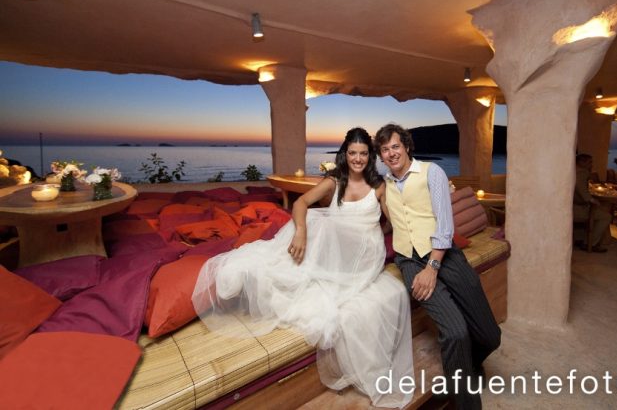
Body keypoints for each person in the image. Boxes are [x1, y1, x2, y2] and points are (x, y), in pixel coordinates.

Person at [192, 128, 413, 408]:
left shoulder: (380, 186)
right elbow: (301, 202)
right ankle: (285, 268)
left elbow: (393, 219)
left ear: (371, 157)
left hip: (365, 256)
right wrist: (300, 232)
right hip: (338, 248)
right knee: (314, 224)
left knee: (325, 227)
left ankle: (308, 267)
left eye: (364, 154)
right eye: (353, 153)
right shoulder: (335, 181)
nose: (358, 159)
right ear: (345, 154)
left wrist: (384, 228)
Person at [374, 123, 500, 409]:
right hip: (408, 259)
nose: (391, 153)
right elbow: (383, 220)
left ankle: (463, 371)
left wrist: (432, 268)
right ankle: (465, 398)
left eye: (395, 146)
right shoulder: (385, 185)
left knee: (491, 336)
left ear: (406, 146)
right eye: (385, 149)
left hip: (445, 255)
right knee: (455, 331)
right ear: (381, 156)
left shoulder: (433, 173)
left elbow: (445, 225)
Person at [573, 154, 612, 253]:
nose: (591, 164)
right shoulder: (582, 172)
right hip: (576, 209)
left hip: (572, 207)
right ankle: (590, 243)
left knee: (598, 213)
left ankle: (581, 239)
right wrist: (591, 200)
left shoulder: (572, 169)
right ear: (582, 162)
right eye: (589, 162)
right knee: (606, 216)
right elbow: (580, 187)